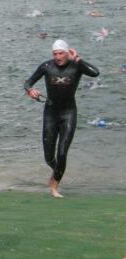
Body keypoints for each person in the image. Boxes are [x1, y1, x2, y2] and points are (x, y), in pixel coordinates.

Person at [25, 39, 99, 198]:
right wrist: (30, 90)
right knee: (48, 157)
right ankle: (57, 170)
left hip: (68, 113)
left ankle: (54, 186)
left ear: (67, 53)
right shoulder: (47, 66)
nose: (57, 57)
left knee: (62, 153)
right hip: (50, 113)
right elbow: (28, 82)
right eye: (55, 54)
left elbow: (95, 72)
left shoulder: (76, 66)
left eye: (60, 53)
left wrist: (78, 59)